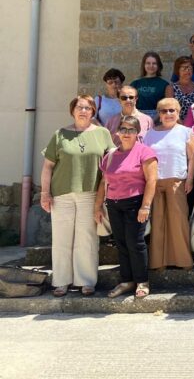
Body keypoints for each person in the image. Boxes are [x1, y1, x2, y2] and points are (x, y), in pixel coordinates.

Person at [40, 95, 113, 297]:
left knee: (87, 239)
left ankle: (86, 281)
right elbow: (47, 166)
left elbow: (111, 165)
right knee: (61, 239)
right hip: (61, 194)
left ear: (93, 111)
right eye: (79, 107)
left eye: (87, 108)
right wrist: (45, 193)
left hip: (90, 194)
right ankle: (61, 281)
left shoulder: (103, 133)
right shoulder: (59, 134)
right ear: (72, 110)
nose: (83, 111)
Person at [95, 116, 157, 299]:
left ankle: (142, 282)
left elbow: (152, 181)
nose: (126, 133)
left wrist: (145, 207)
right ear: (117, 132)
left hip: (135, 203)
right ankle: (126, 281)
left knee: (135, 243)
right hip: (114, 204)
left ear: (137, 133)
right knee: (121, 244)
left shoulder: (145, 152)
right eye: (123, 129)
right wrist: (97, 207)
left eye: (131, 130)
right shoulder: (111, 155)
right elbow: (103, 183)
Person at [144, 98, 194, 271]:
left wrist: (189, 179)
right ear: (159, 114)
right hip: (155, 183)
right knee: (158, 223)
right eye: (164, 111)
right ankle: (159, 263)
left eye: (172, 110)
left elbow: (193, 157)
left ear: (178, 111)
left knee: (178, 221)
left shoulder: (185, 132)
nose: (168, 114)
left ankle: (183, 261)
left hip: (177, 181)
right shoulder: (149, 134)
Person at [131, 52, 169, 119]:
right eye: (148, 63)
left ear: (158, 66)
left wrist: (154, 120)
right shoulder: (135, 83)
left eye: (154, 63)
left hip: (157, 119)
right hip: (137, 118)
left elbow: (167, 105)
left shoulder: (164, 85)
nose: (151, 66)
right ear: (144, 65)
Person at [165, 56, 194, 122]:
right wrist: (182, 125)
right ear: (178, 70)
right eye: (184, 68)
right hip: (177, 124)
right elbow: (170, 109)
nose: (187, 70)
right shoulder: (171, 88)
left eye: (189, 67)